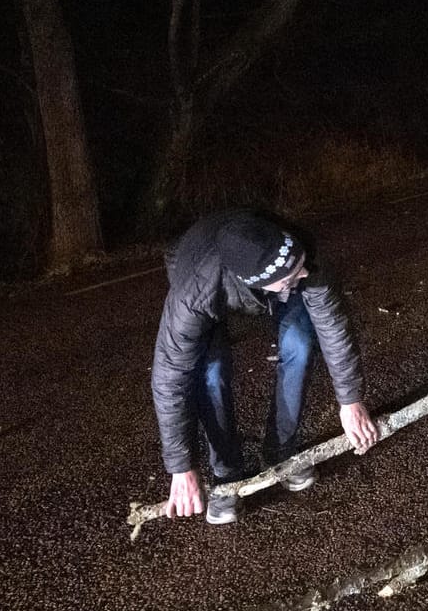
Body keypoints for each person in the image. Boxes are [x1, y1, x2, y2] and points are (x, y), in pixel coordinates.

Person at [150, 208, 379, 525]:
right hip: (202, 272)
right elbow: (169, 378)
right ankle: (227, 474)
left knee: (299, 342)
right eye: (291, 276)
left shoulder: (302, 254)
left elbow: (333, 325)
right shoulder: (193, 293)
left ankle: (279, 451)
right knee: (209, 375)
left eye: (300, 268)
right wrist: (180, 466)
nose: (303, 275)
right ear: (257, 282)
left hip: (263, 272)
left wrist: (350, 400)